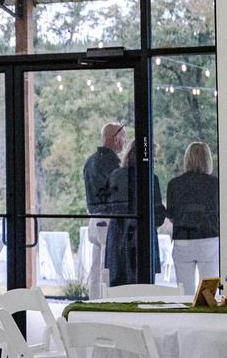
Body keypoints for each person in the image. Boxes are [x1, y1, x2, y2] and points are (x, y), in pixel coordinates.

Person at [104, 141, 166, 288]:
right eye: (154, 156)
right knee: (144, 289)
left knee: (118, 289)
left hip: (117, 238)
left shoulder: (115, 175)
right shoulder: (151, 179)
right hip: (142, 239)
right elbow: (157, 215)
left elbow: (108, 206)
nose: (154, 161)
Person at [167, 141, 220, 293]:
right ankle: (209, 316)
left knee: (184, 291)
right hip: (209, 238)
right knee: (210, 293)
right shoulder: (215, 184)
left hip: (183, 238)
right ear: (207, 160)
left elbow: (171, 216)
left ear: (187, 160)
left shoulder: (174, 184)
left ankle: (186, 315)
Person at [83, 122, 124, 298]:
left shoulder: (90, 161)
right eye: (124, 137)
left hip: (94, 218)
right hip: (107, 218)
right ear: (115, 138)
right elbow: (116, 191)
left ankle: (93, 301)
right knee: (107, 265)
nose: (124, 142)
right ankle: (106, 301)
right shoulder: (111, 163)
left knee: (95, 266)